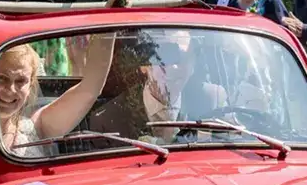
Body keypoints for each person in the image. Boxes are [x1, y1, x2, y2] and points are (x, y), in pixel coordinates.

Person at [89, 30, 227, 141]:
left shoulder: (212, 100)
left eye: (183, 57)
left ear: (193, 64)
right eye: (163, 56)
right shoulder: (106, 121)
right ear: (144, 65)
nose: (173, 66)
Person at [0, 34, 115, 157]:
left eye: (20, 81)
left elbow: (91, 85)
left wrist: (108, 25)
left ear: (30, 86)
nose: (10, 89)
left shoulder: (36, 127)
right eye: (1, 78)